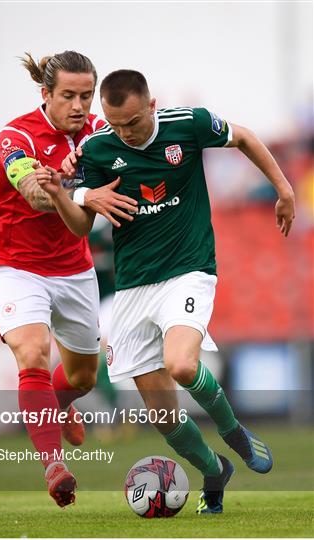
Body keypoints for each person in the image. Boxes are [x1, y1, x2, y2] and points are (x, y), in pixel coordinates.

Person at [34, 69, 295, 514]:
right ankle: (214, 471)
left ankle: (236, 436)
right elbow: (81, 225)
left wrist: (284, 189)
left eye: (133, 122)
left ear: (151, 105)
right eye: (115, 123)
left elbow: (245, 137)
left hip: (189, 271)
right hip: (134, 286)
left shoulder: (188, 125)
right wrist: (64, 194)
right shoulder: (97, 150)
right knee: (162, 416)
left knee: (180, 363)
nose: (125, 132)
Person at [0, 53, 137, 508]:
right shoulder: (15, 136)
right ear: (45, 94)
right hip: (17, 264)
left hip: (74, 267)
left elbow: (86, 217)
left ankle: (60, 402)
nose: (78, 105)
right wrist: (53, 187)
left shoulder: (99, 135)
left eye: (86, 96)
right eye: (67, 95)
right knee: (32, 353)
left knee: (83, 377)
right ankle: (54, 465)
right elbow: (32, 192)